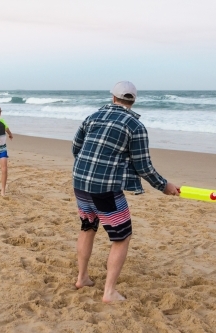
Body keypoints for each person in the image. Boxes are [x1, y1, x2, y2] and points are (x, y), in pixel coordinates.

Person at [72, 81, 179, 303]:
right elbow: (144, 167)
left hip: (80, 181)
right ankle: (109, 292)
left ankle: (82, 278)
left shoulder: (93, 117)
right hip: (105, 187)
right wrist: (164, 185)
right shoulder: (135, 126)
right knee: (122, 237)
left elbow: (76, 146)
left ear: (113, 97)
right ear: (133, 101)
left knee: (88, 226)